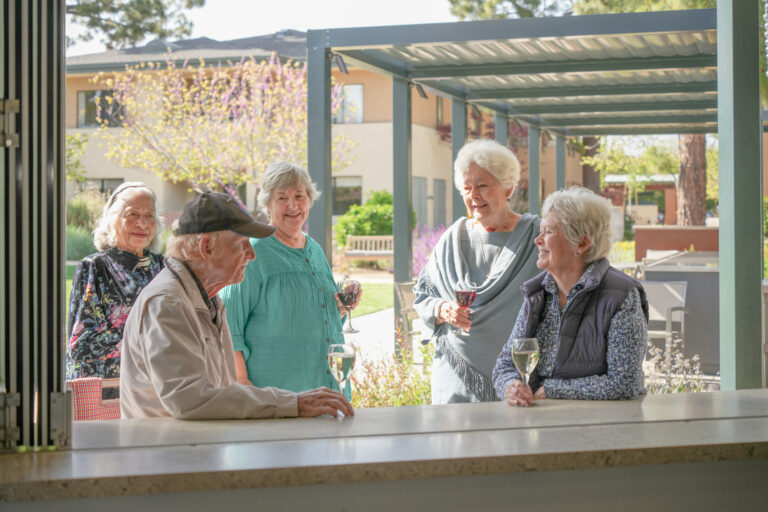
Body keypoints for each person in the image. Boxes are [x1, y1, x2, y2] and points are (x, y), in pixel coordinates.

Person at [119, 190, 353, 419]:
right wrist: (293, 403)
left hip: (194, 451)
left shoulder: (206, 298)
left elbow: (223, 390)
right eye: (242, 244)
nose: (252, 254)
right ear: (207, 247)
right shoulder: (167, 303)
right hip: (166, 454)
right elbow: (189, 398)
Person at [493, 187, 649, 406]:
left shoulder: (622, 296)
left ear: (581, 244)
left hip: (602, 431)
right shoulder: (537, 292)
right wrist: (511, 387)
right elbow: (504, 366)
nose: (538, 240)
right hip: (541, 426)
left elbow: (626, 382)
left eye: (547, 232)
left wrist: (551, 390)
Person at [413, 139, 541, 404]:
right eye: (467, 187)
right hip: (455, 379)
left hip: (518, 378)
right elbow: (423, 296)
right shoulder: (452, 239)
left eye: (482, 186)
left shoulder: (536, 236)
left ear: (508, 187)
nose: (473, 196)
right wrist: (441, 309)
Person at [219, 162, 359, 396]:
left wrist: (340, 309)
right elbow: (228, 324)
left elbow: (321, 319)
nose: (293, 206)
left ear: (309, 200)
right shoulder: (253, 253)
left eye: (299, 196)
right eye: (282, 198)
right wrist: (242, 384)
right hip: (279, 398)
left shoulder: (314, 250)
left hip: (328, 391)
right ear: (267, 204)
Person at [66, 182, 164, 387]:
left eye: (149, 215)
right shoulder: (95, 267)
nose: (143, 224)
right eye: (132, 214)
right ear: (112, 220)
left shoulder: (165, 267)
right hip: (109, 392)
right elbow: (82, 346)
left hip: (158, 390)